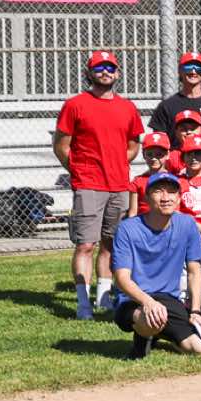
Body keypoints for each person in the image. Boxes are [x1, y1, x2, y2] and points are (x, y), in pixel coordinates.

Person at [55, 49, 145, 321]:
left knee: (110, 244)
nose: (105, 72)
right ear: (89, 73)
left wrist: (116, 162)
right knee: (85, 245)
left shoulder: (127, 107)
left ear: (117, 73)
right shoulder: (75, 104)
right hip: (89, 185)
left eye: (110, 67)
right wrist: (80, 171)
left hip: (119, 185)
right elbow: (61, 146)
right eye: (98, 68)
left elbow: (133, 146)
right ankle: (83, 303)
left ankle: (104, 298)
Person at [109, 170, 201, 358]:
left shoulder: (187, 224)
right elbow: (121, 278)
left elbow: (194, 272)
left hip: (168, 300)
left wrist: (196, 311)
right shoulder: (127, 228)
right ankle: (141, 345)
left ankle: (159, 333)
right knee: (150, 320)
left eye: (171, 192)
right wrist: (148, 302)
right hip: (132, 300)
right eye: (158, 191)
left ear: (179, 198)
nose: (165, 198)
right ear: (147, 198)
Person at [150, 52, 201, 145]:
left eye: (198, 68)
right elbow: (158, 144)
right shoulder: (166, 106)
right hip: (176, 154)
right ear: (180, 72)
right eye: (188, 67)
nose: (193, 72)